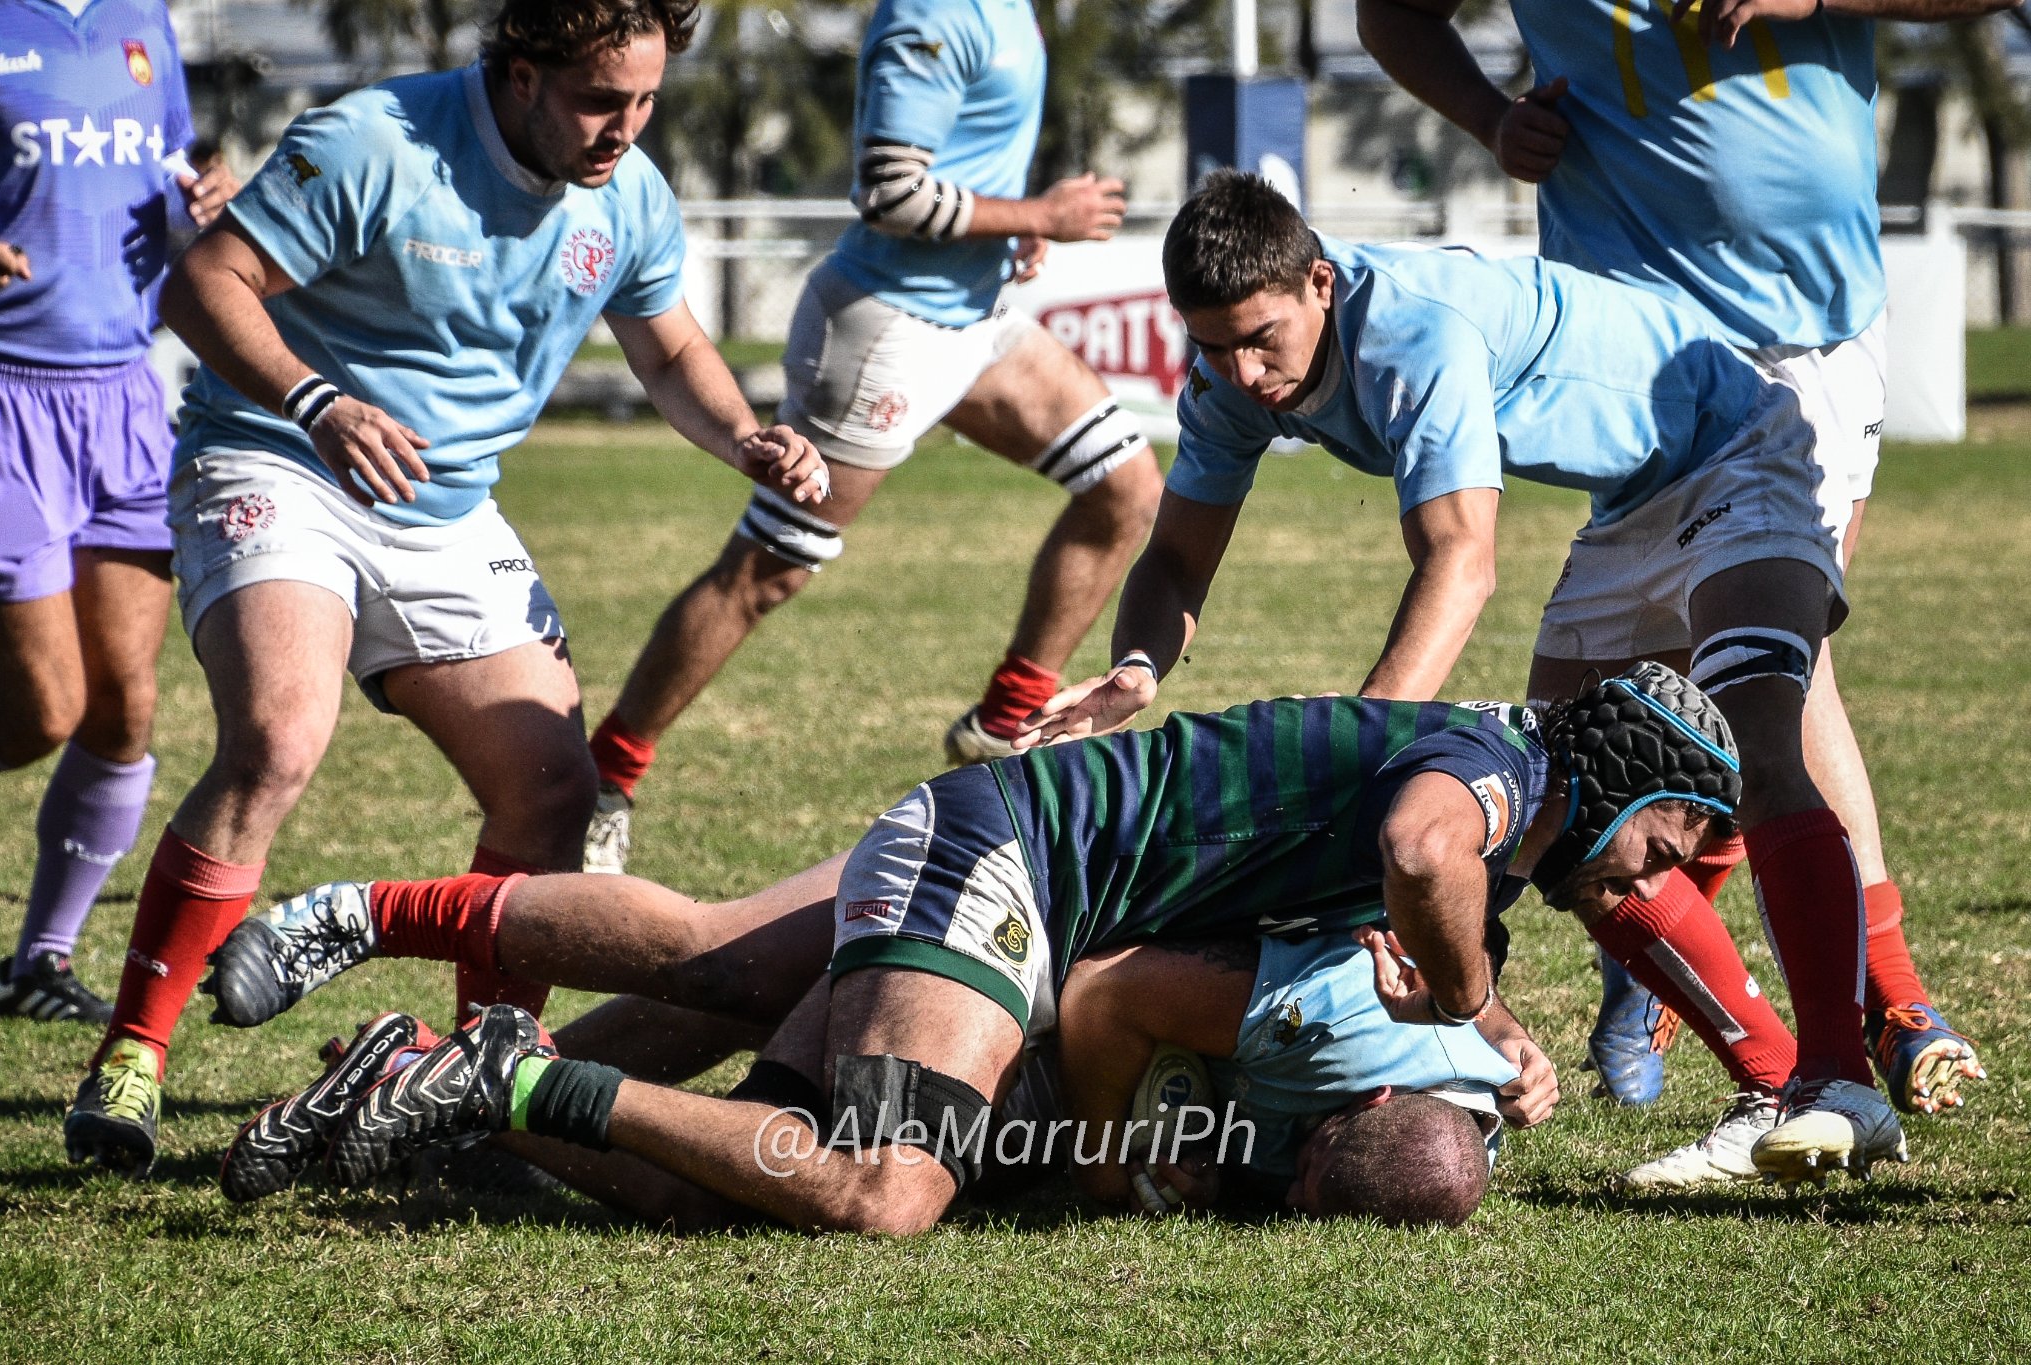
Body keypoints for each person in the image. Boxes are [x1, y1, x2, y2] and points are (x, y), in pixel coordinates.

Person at [61, 0, 829, 1178]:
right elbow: (203, 283)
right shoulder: (374, 141)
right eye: (597, 100)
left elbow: (669, 349)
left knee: (553, 792)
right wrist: (318, 401)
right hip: (278, 455)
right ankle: (132, 1054)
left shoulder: (626, 196)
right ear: (518, 75)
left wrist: (743, 435)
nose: (624, 128)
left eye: (646, 101)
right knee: (277, 736)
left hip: (445, 505)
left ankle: (472, 1090)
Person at [1023, 171, 1907, 1184]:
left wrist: (1356, 773)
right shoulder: (1230, 372)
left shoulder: (1408, 332)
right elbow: (1174, 559)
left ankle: (1852, 1063)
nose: (1237, 370)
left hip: (1744, 440)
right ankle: (1769, 1079)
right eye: (1210, 345)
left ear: (1319, 282)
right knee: (1564, 817)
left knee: (1756, 747)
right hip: (1633, 498)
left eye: (1259, 339)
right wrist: (1136, 666)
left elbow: (1460, 561)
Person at [206, 669, 1737, 1233]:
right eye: (1671, 845)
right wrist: (1476, 1003)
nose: (1659, 884)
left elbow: (1411, 891)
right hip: (1019, 857)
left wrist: (1492, 1020)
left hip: (1028, 863)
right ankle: (437, 997)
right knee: (883, 1179)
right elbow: (1419, 856)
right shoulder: (1497, 770)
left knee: (713, 1131)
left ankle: (419, 1087)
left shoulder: (1502, 803)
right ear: (1622, 776)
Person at [1353, 0, 1996, 1122]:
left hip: (1803, 347)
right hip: (1635, 365)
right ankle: (1761, 1029)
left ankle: (1861, 1023)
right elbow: (1389, 12)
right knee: (1585, 748)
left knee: (1777, 689)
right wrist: (1487, 119)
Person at [578, 0, 1164, 876]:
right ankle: (605, 778)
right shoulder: (930, 14)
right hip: (887, 329)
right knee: (764, 574)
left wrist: (1021, 223)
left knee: (1127, 484)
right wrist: (1036, 207)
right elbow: (890, 191)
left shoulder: (1013, 12)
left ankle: (1008, 718)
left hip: (975, 319)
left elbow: (962, 162)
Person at [220, 931, 1522, 1230]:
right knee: (741, 1182)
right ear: (1356, 1104)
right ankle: (487, 1079)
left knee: (727, 991)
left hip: (967, 949)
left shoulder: (1446, 1118)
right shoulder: (1322, 1024)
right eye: (1300, 1175)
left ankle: (426, 1078)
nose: (1280, 1187)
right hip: (982, 972)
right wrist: (1111, 1161)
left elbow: (1484, 1048)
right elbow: (1110, 989)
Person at [0, 0, 234, 1024]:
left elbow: (172, 174)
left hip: (126, 396)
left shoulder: (145, 23)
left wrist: (205, 194)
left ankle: (42, 960)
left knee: (123, 709)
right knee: (42, 711)